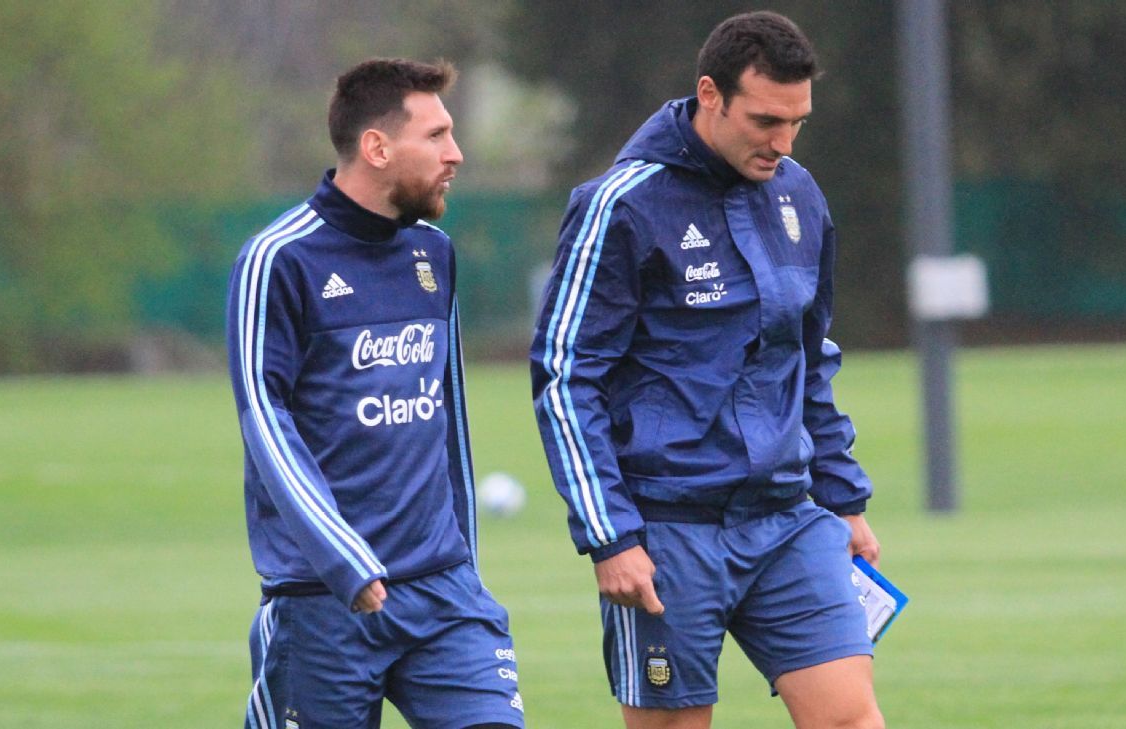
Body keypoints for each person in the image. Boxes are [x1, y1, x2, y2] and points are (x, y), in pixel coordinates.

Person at [530, 11, 885, 729]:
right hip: (669, 530)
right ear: (710, 95)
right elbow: (566, 378)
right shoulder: (621, 205)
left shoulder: (799, 194)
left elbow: (808, 357)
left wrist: (843, 496)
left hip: (788, 521)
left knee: (851, 719)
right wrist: (610, 536)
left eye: (797, 123)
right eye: (765, 121)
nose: (782, 144)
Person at [227, 58, 524, 729]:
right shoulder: (279, 259)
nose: (456, 153)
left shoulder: (434, 253)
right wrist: (344, 560)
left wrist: (465, 560)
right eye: (436, 136)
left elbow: (449, 419)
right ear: (377, 147)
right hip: (324, 599)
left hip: (444, 592)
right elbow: (264, 417)